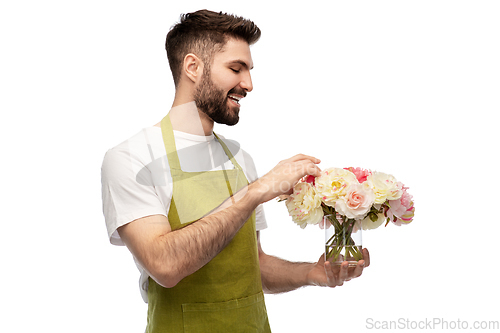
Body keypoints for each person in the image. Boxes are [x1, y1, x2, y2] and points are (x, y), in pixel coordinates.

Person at [101, 9, 369, 332]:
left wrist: (313, 273)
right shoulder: (132, 157)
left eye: (249, 70)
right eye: (236, 68)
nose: (249, 84)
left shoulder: (240, 159)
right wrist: (255, 192)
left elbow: (252, 266)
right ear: (192, 67)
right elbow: (165, 265)